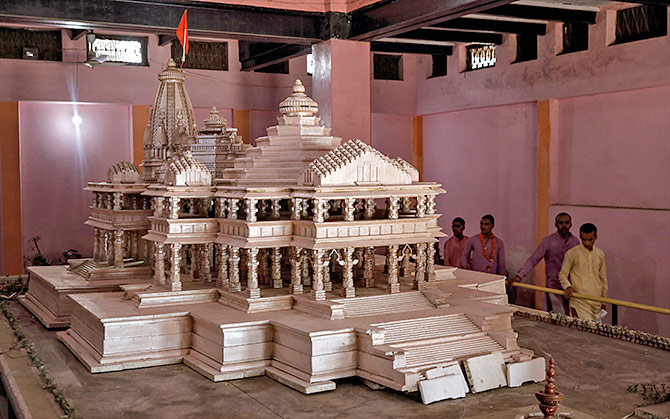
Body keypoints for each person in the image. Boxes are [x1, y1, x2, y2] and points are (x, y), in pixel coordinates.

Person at [509, 213, 580, 314]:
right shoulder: (548, 241)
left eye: (566, 223)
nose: (564, 226)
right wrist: (519, 276)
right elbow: (534, 259)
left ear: (571, 224)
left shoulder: (575, 242)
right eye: (561, 223)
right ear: (556, 224)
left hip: (571, 288)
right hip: (554, 286)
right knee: (558, 316)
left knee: (573, 318)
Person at [558, 223, 607, 321]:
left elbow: (603, 279)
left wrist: (603, 300)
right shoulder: (572, 253)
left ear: (596, 237)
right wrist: (568, 286)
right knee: (580, 332)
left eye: (590, 239)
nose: (587, 243)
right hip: (579, 300)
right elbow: (562, 274)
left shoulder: (600, 254)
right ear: (580, 237)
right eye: (584, 239)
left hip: (596, 301)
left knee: (596, 333)